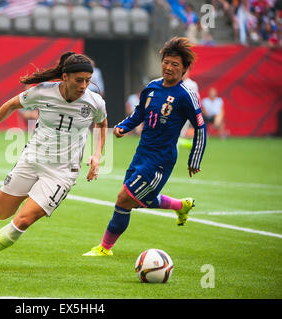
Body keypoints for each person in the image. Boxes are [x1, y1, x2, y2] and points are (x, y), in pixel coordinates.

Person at [0, 52, 108, 270]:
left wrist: (97, 155)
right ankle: (33, 196)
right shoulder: (43, 92)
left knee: (23, 220)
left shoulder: (95, 102)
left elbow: (101, 123)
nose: (83, 85)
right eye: (79, 80)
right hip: (32, 160)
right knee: (0, 213)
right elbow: (11, 105)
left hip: (62, 172)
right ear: (65, 77)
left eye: (87, 81)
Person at [83, 37, 207, 257]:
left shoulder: (186, 96)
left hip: (161, 160)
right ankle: (181, 205)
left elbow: (200, 127)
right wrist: (124, 126)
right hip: (141, 153)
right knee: (139, 200)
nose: (169, 67)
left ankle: (105, 248)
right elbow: (140, 112)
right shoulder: (152, 87)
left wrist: (194, 159)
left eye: (175, 64)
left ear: (185, 69)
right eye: (166, 62)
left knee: (124, 198)